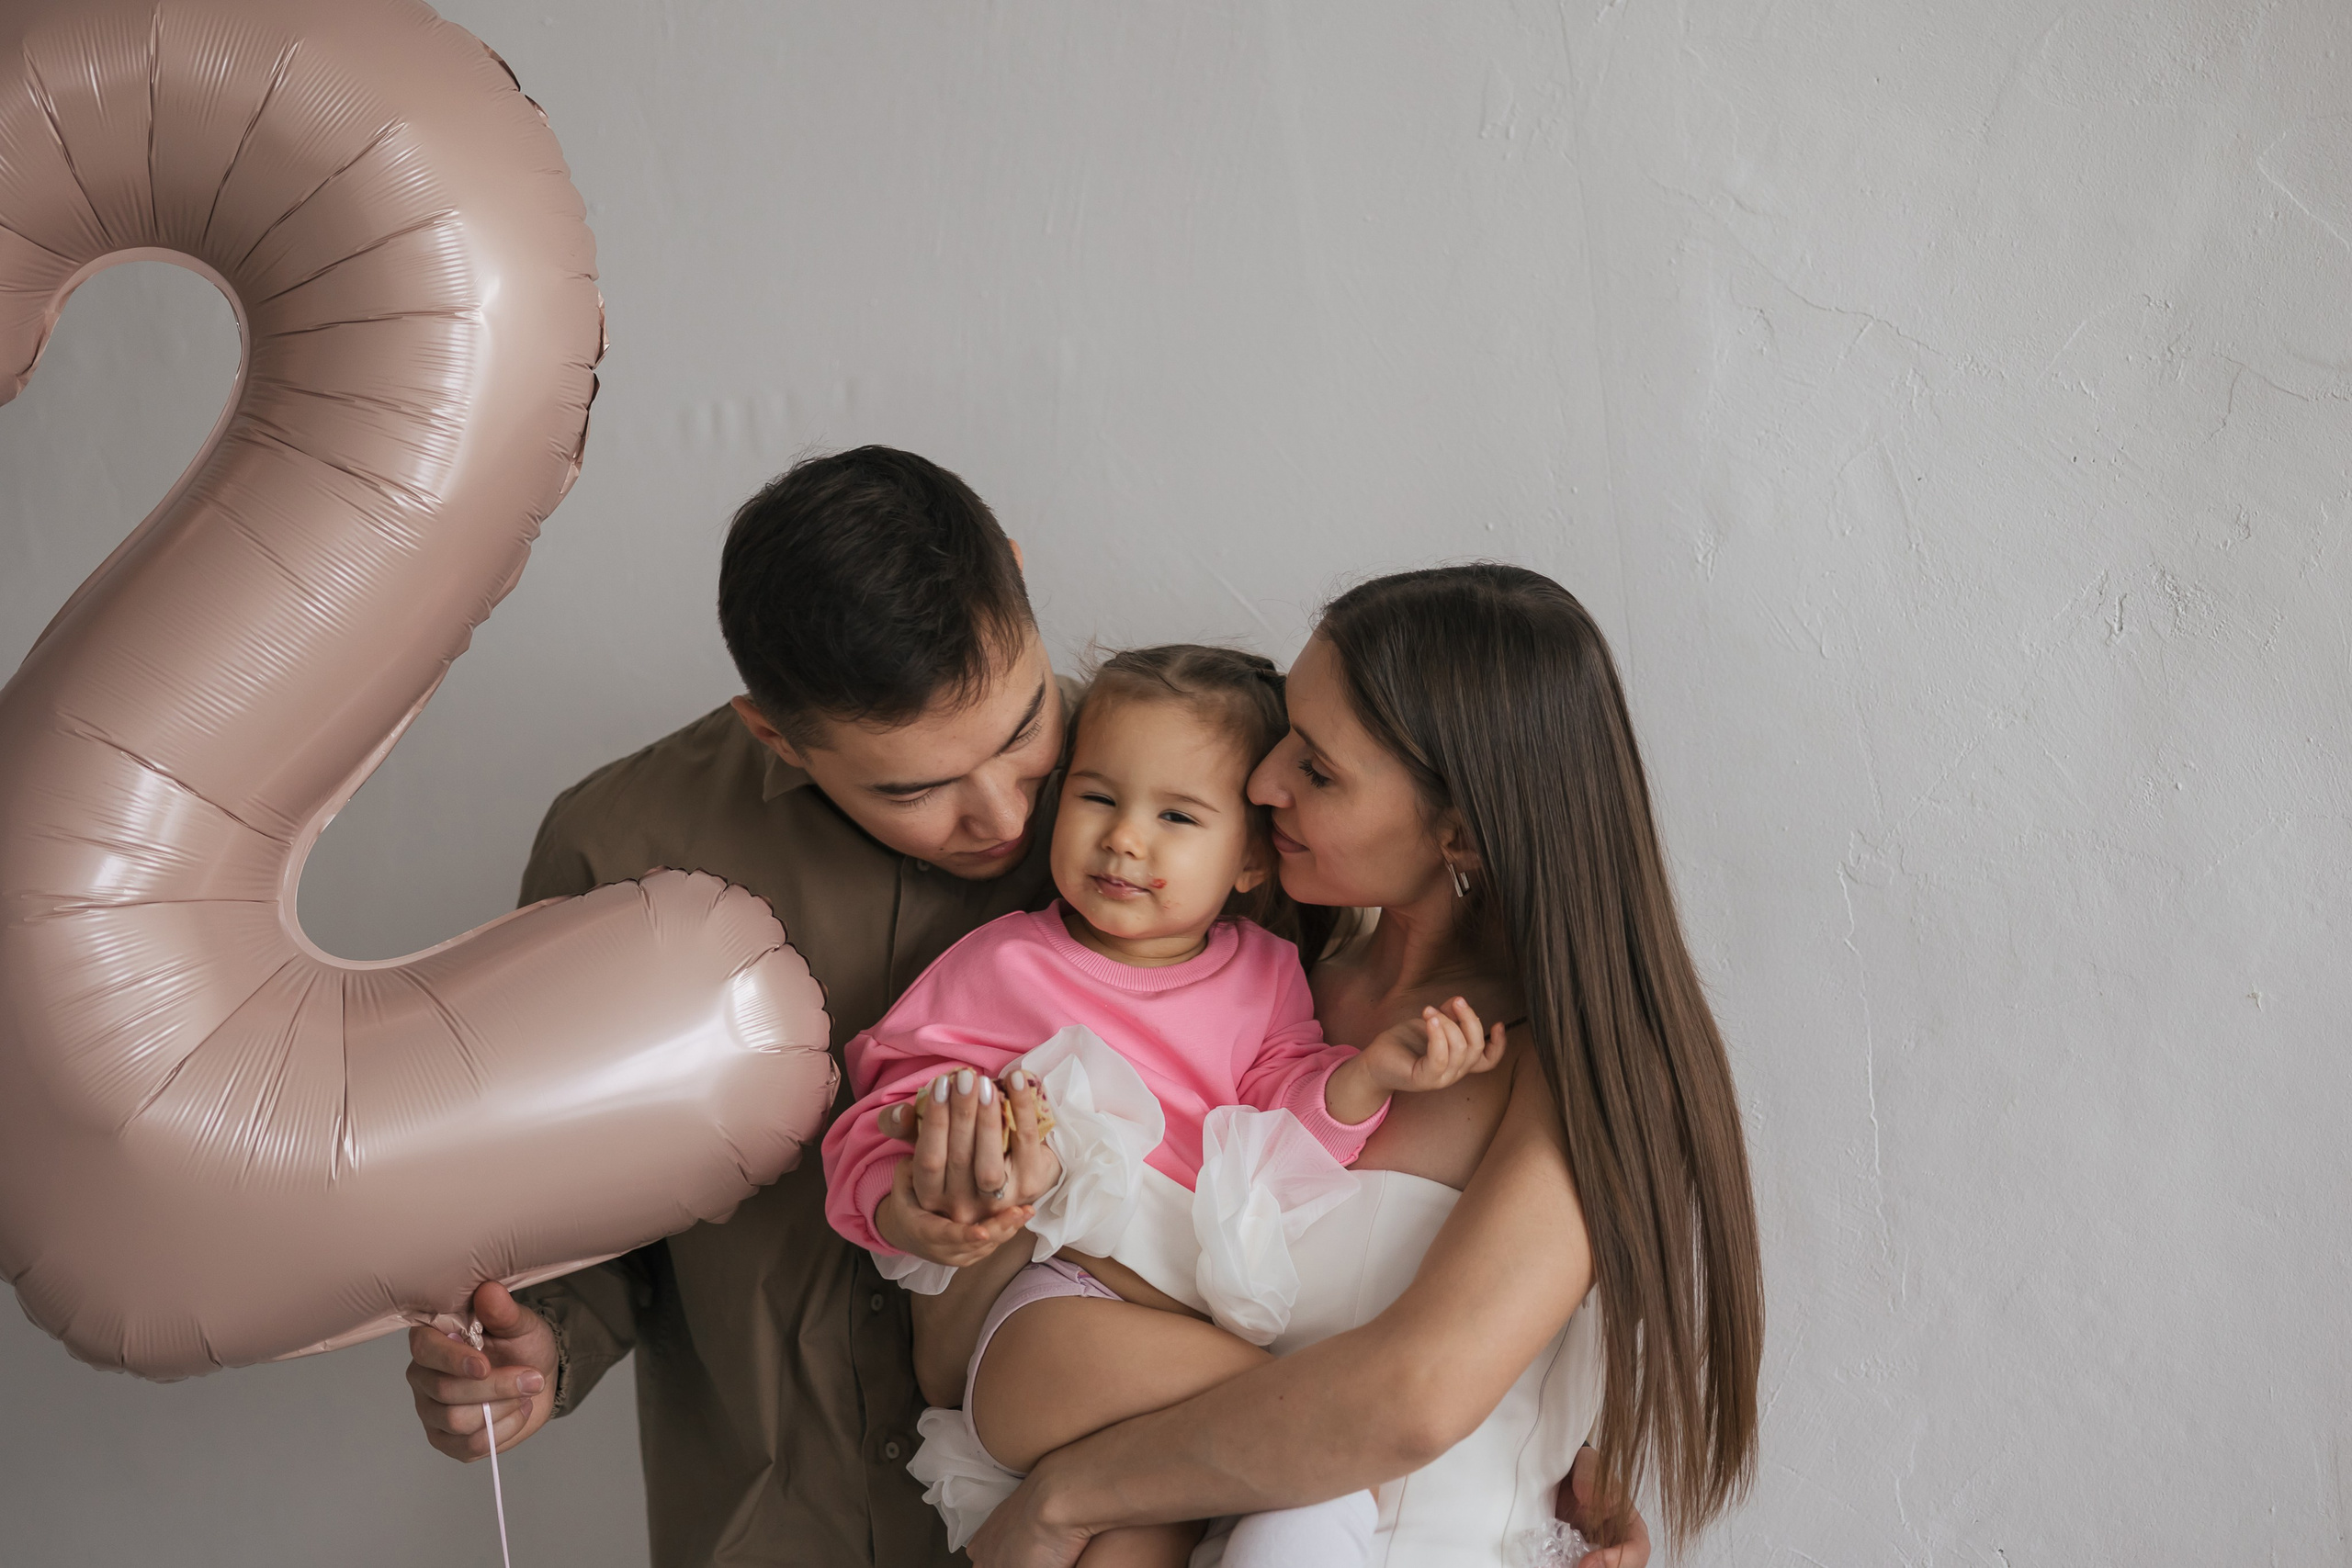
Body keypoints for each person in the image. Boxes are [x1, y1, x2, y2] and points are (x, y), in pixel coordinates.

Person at [921, 565, 1758, 1567]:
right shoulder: (1251, 991)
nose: (1261, 782)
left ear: (1459, 833)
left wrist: (1066, 1497)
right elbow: (969, 1342)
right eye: (1284, 736)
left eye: (1316, 770)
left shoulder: (1580, 1067)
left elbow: (1418, 1400)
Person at [400, 446, 1075, 1568]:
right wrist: (537, 1346)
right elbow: (576, 1198)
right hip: (768, 1524)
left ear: (1014, 570)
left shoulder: (1170, 800)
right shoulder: (616, 854)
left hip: (1084, 1521)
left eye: (1023, 730)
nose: (1002, 814)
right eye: (914, 788)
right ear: (774, 734)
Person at [821, 645, 1508, 1567]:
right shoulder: (1004, 962)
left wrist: (1370, 1077)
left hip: (1173, 1332)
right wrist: (903, 1201)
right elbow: (890, 1102)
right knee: (1316, 1430)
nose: (1124, 840)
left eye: (1176, 815)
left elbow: (1281, 1125)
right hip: (1051, 1321)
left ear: (1253, 856)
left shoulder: (1266, 974)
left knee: (1155, 1528)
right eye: (1098, 798)